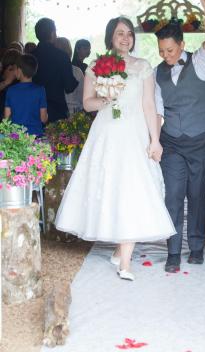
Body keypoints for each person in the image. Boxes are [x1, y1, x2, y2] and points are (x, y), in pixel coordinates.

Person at [55, 17, 176, 281]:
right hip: (107, 133)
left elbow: (148, 105)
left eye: (129, 34)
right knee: (111, 188)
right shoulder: (96, 67)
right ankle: (121, 255)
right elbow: (87, 104)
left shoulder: (143, 67)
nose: (125, 38)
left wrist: (154, 139)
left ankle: (125, 261)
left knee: (132, 190)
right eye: (120, 33)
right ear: (111, 36)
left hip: (134, 134)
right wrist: (106, 97)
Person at [154, 0, 205, 273]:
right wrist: (154, 141)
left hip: (201, 139)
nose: (165, 55)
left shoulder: (201, 63)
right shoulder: (156, 73)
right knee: (173, 195)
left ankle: (195, 247)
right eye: (161, 50)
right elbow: (156, 110)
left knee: (197, 194)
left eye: (170, 50)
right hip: (172, 143)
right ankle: (172, 251)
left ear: (182, 45)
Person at [32, 18, 78, 122]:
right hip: (56, 110)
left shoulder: (30, 56)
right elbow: (69, 87)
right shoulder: (62, 56)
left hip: (33, 108)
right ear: (53, 33)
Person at [4, 54, 48, 136]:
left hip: (16, 137)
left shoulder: (11, 90)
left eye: (15, 69)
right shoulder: (40, 90)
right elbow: (43, 119)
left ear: (19, 71)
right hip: (35, 136)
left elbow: (6, 118)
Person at [55, 37, 84, 115]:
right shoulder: (77, 71)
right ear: (69, 51)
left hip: (55, 112)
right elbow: (82, 96)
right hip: (75, 113)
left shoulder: (50, 71)